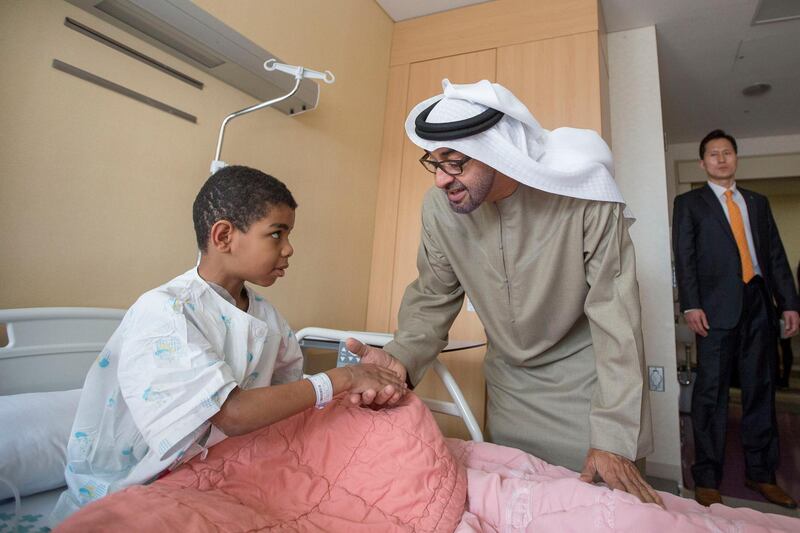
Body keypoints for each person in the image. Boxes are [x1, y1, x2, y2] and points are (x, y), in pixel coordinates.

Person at [344, 79, 661, 506]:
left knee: (598, 507)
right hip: (511, 385)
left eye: (454, 163)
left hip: (586, 385)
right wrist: (400, 359)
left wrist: (614, 436)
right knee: (517, 504)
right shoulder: (440, 209)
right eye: (433, 162)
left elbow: (616, 318)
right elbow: (433, 295)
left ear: (499, 153)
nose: (440, 180)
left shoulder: (585, 199)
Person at [52, 166, 406, 522]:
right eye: (276, 234)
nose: (289, 248)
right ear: (223, 236)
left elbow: (292, 402)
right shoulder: (166, 312)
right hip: (140, 483)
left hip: (232, 467)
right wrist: (345, 378)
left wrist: (361, 395)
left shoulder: (268, 319)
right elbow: (233, 414)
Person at [672, 130, 800, 508]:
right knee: (710, 393)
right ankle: (707, 477)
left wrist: (789, 303)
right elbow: (685, 256)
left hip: (758, 303)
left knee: (761, 390)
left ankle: (761, 474)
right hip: (712, 310)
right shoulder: (690, 203)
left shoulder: (757, 203)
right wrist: (690, 305)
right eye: (713, 154)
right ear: (703, 163)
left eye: (727, 152)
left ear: (736, 158)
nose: (721, 159)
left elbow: (775, 254)